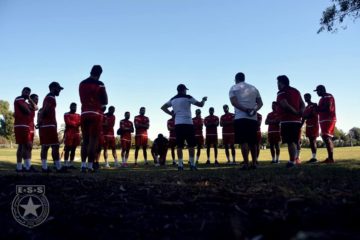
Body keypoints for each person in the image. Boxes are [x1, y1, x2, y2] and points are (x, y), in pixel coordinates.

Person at [161, 84, 207, 170]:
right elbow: (200, 105)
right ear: (184, 90)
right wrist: (204, 100)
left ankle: (180, 165)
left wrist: (171, 114)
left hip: (178, 124)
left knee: (179, 146)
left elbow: (163, 107)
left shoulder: (173, 99)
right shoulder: (188, 97)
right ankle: (192, 165)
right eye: (186, 90)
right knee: (191, 145)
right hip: (188, 123)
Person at [229, 72, 263, 169]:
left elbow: (234, 102)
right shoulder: (253, 88)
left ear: (236, 79)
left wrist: (245, 110)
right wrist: (253, 110)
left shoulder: (233, 88)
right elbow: (260, 103)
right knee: (252, 141)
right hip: (253, 118)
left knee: (243, 141)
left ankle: (246, 164)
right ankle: (254, 163)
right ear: (244, 78)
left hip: (240, 118)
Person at [79, 65, 108, 172]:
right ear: (100, 73)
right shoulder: (100, 84)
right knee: (93, 141)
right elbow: (105, 101)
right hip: (95, 113)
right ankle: (90, 166)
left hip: (84, 113)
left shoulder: (82, 83)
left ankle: (82, 165)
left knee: (85, 141)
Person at [276, 75, 305, 168]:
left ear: (281, 82)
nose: (277, 85)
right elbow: (302, 103)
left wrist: (295, 112)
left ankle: (292, 161)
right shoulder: (296, 91)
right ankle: (296, 159)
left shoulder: (281, 92)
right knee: (295, 141)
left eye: (278, 83)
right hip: (297, 121)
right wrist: (300, 112)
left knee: (290, 141)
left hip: (287, 120)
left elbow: (285, 105)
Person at [38, 82, 66, 173]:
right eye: (58, 89)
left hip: (45, 125)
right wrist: (41, 120)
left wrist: (40, 121)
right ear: (53, 88)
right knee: (55, 146)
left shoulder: (48, 97)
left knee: (45, 147)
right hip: (49, 125)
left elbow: (42, 110)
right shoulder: (50, 97)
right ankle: (58, 167)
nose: (60, 91)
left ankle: (44, 167)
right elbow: (45, 109)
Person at [14, 87, 37, 172]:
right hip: (21, 125)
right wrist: (29, 106)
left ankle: (23, 167)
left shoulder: (26, 102)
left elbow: (36, 108)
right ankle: (23, 166)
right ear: (22, 91)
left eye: (28, 93)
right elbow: (27, 111)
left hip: (25, 126)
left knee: (24, 146)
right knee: (23, 146)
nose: (27, 94)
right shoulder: (19, 99)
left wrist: (30, 100)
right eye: (26, 92)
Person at [314, 85, 336, 163]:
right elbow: (318, 111)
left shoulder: (328, 96)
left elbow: (327, 107)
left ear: (322, 90)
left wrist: (318, 108)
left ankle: (331, 158)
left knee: (327, 137)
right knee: (325, 137)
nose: (317, 93)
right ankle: (330, 158)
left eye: (317, 91)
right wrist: (316, 108)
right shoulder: (321, 99)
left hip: (328, 119)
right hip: (323, 120)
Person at [302, 93, 319, 163]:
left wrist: (306, 116)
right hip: (308, 125)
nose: (305, 98)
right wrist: (299, 126)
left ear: (310, 97)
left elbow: (313, 114)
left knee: (313, 140)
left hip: (314, 125)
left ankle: (314, 158)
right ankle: (313, 157)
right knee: (311, 141)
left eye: (307, 97)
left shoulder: (314, 105)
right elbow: (303, 118)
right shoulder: (305, 108)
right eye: (304, 97)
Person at [63, 102, 81, 169]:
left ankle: (71, 163)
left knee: (74, 149)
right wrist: (76, 124)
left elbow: (80, 123)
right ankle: (65, 163)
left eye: (75, 107)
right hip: (69, 133)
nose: (74, 108)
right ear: (70, 107)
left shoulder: (79, 115)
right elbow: (68, 123)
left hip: (76, 134)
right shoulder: (66, 114)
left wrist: (76, 124)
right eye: (73, 107)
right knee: (67, 149)